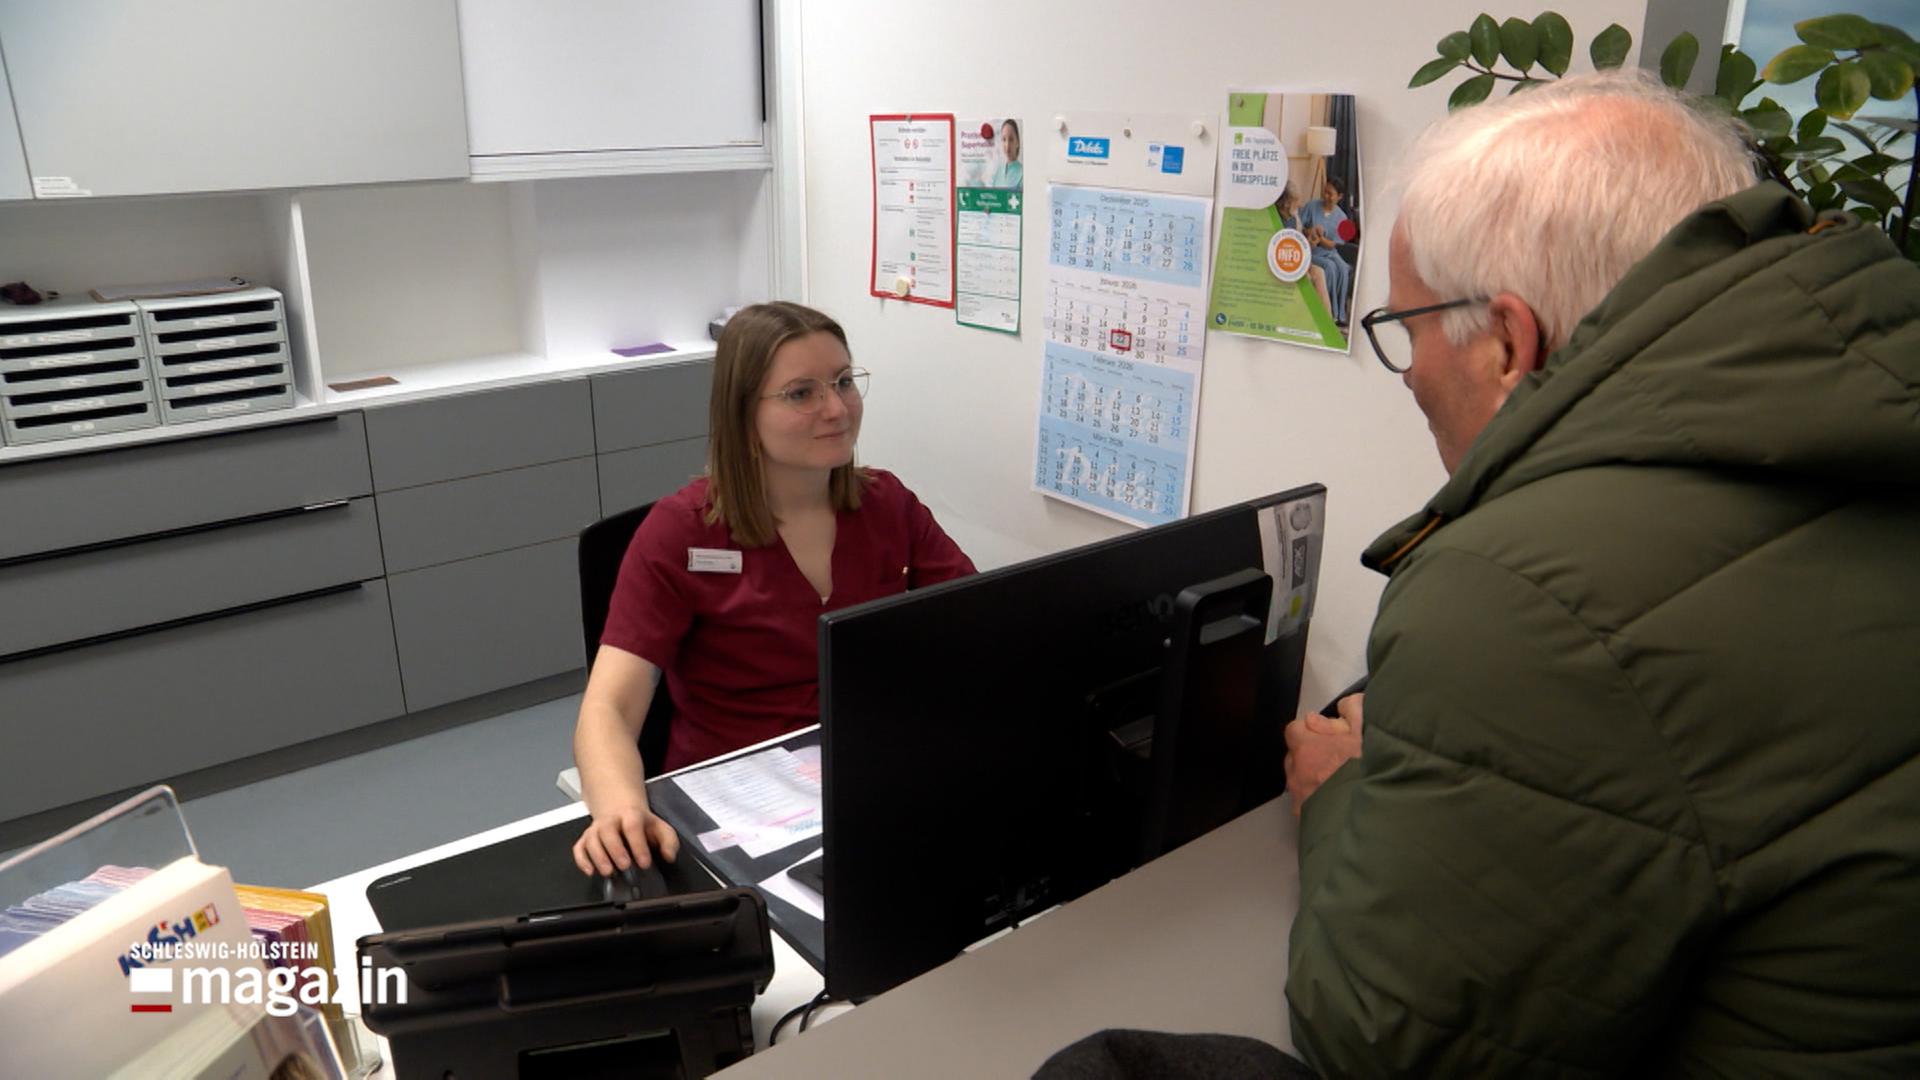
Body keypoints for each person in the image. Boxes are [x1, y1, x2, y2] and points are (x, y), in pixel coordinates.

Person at [1284, 72, 1920, 1074]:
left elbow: (1383, 1041)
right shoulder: (1865, 402)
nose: (1409, 373)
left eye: (1407, 331)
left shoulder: (1523, 591)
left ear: (1505, 341)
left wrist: (1338, 794)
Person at [571, 301, 976, 878]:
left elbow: (979, 626)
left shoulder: (888, 505)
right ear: (743, 413)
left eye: (842, 382)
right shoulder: (681, 532)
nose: (835, 408)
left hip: (868, 772)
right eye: (800, 393)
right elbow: (609, 705)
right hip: (737, 805)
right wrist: (618, 809)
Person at [1296, 177, 1353, 326]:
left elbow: (1333, 245)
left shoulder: (1343, 218)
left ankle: (1340, 314)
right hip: (1312, 251)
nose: (1325, 196)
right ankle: (1328, 312)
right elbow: (1299, 228)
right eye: (1325, 191)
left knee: (1343, 268)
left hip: (1329, 251)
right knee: (1330, 267)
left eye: (1330, 193)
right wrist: (1311, 231)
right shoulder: (1312, 206)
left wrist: (1320, 238)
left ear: (1339, 197)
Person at [1274, 182, 1334, 320]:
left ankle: (1327, 321)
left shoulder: (1293, 218)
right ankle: (1308, 321)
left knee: (1319, 272)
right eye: (1296, 201)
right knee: (1305, 278)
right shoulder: (1276, 220)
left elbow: (1299, 244)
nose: (1299, 205)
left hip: (1296, 262)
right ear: (1286, 203)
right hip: (1283, 266)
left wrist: (1310, 242)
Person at [989, 119, 1023, 190]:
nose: (1007, 145)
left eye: (1011, 139)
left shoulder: (1022, 173)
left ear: (1018, 142)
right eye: (1004, 139)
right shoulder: (997, 171)